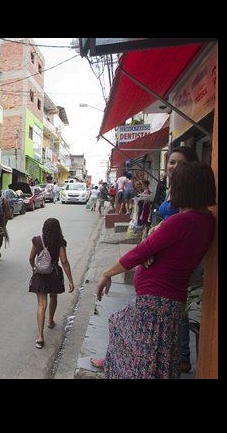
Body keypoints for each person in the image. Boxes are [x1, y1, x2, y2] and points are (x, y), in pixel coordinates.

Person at [92, 161, 216, 378]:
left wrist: (107, 273)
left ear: (184, 188)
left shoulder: (182, 221)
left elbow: (140, 251)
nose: (170, 189)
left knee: (145, 357)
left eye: (173, 184)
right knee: (156, 357)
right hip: (169, 301)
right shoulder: (206, 220)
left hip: (156, 302)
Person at [148, 145, 201, 373]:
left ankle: (185, 359)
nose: (175, 167)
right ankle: (174, 358)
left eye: (181, 163)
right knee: (175, 318)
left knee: (187, 317)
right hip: (163, 265)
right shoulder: (167, 189)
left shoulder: (194, 196)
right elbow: (155, 221)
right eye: (171, 162)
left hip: (184, 268)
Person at [28, 218, 75, 349]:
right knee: (53, 297)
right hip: (54, 274)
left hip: (40, 276)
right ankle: (50, 321)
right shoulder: (60, 242)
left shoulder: (37, 240)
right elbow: (64, 261)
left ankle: (40, 337)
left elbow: (31, 258)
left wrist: (34, 268)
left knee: (41, 304)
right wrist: (70, 280)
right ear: (58, 229)